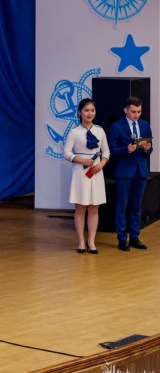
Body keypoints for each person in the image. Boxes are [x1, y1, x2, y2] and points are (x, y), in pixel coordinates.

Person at [63, 99, 109, 254]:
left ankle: (92, 241)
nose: (90, 113)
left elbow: (106, 151)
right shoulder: (74, 132)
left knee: (94, 207)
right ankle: (81, 240)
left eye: (92, 110)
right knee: (80, 207)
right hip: (80, 172)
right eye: (86, 110)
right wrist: (82, 160)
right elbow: (66, 152)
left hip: (96, 171)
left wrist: (101, 164)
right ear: (79, 112)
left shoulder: (100, 130)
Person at [108, 96, 153, 251]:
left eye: (139, 111)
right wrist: (126, 149)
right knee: (122, 206)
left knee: (136, 207)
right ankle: (122, 238)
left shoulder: (145, 125)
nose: (136, 115)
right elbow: (112, 150)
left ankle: (134, 236)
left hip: (141, 171)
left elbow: (150, 148)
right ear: (126, 110)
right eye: (133, 111)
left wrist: (147, 148)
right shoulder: (117, 126)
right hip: (124, 172)